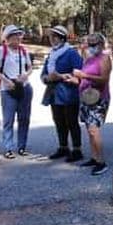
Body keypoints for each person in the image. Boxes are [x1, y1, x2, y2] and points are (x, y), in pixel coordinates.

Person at [0, 25, 33, 159]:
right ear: (8, 38)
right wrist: (6, 80)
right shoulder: (2, 50)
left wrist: (25, 75)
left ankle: (22, 146)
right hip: (8, 89)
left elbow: (30, 67)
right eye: (15, 36)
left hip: (24, 87)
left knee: (24, 118)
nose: (18, 38)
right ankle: (8, 147)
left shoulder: (23, 51)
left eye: (19, 35)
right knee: (8, 119)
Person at [41, 25, 84, 161]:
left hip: (68, 92)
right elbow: (44, 74)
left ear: (62, 38)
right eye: (51, 37)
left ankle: (77, 149)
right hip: (54, 92)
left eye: (55, 37)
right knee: (58, 121)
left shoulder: (71, 53)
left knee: (71, 121)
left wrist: (61, 77)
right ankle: (63, 147)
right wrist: (47, 78)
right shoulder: (51, 54)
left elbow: (79, 72)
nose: (52, 39)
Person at [73, 32, 112, 176]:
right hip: (86, 97)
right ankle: (94, 157)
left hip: (98, 98)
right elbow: (83, 78)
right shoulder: (89, 59)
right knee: (89, 129)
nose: (91, 47)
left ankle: (101, 162)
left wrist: (84, 75)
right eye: (89, 44)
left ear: (101, 44)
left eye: (94, 44)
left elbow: (104, 79)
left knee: (94, 129)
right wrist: (75, 79)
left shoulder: (105, 59)